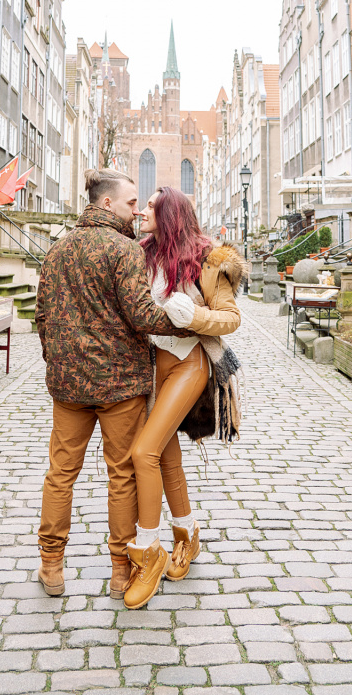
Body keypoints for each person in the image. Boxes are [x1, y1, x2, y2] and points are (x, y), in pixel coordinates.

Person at [34, 168, 192, 599]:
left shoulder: (58, 249)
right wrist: (187, 322)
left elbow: (42, 315)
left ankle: (52, 564)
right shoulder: (124, 250)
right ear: (107, 203)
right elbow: (142, 314)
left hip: (69, 387)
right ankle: (121, 571)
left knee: (60, 474)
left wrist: (58, 360)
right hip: (121, 386)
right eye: (131, 203)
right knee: (121, 475)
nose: (137, 210)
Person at [123, 186, 245, 609]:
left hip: (189, 363)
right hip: (153, 366)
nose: (141, 211)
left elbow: (230, 318)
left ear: (169, 213)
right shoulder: (141, 254)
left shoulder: (207, 260)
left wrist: (193, 316)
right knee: (165, 457)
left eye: (150, 206)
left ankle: (148, 552)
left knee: (143, 452)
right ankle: (187, 536)